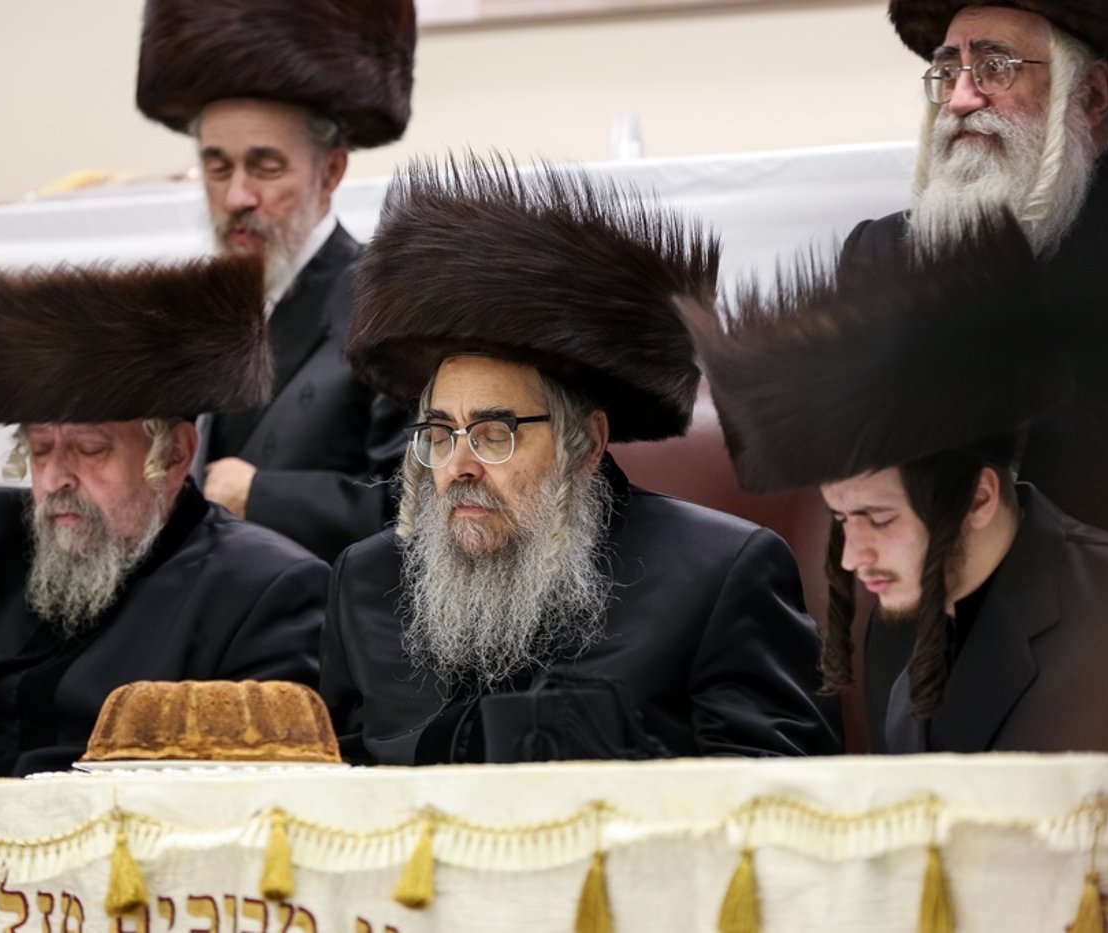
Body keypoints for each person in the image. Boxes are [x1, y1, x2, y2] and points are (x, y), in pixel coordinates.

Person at [320, 155, 842, 766]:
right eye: (440, 433)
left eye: (493, 434)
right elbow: (329, 785)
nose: (459, 464)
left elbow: (780, 795)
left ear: (587, 443)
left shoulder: (720, 575)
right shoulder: (367, 580)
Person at [688, 214, 1108, 753]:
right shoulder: (894, 622)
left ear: (978, 498)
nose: (853, 557)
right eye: (842, 519)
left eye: (879, 518)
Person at [0, 257, 329, 780]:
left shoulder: (262, 592)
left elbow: (235, 795)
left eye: (90, 450)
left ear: (174, 455)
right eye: (40, 449)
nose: (55, 479)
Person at [843, 0, 1108, 540]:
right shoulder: (881, 253)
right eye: (948, 71)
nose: (960, 99)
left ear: (1091, 95)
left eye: (995, 68)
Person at [135, 0, 417, 562]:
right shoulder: (199, 311)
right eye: (217, 167)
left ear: (331, 171)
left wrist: (260, 495)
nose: (237, 196)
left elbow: (416, 512)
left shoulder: (388, 305)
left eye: (265, 167)